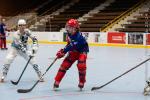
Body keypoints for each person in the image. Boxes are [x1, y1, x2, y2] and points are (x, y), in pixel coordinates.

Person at [53, 19, 89, 90]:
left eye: (70, 27)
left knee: (81, 65)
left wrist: (63, 51)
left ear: (75, 28)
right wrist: (62, 51)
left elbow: (71, 45)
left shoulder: (79, 36)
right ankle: (57, 81)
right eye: (68, 27)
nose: (68, 28)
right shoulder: (69, 34)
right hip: (73, 51)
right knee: (64, 66)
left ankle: (82, 82)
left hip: (82, 51)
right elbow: (69, 44)